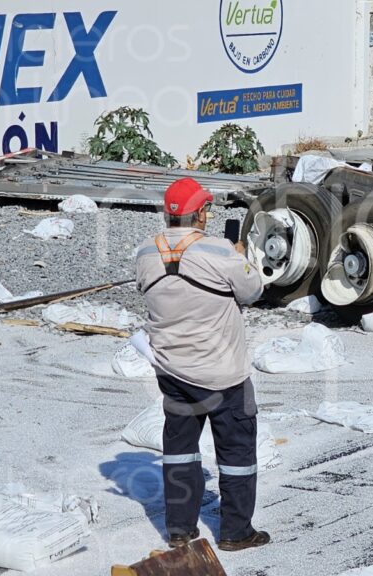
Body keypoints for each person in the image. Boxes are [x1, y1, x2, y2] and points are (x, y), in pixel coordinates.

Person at [134, 177, 269, 551]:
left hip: (174, 372)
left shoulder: (145, 252)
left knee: (180, 451)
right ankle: (235, 531)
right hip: (225, 375)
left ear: (168, 213)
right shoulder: (221, 252)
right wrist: (240, 256)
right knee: (237, 454)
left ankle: (179, 528)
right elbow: (253, 291)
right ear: (202, 214)